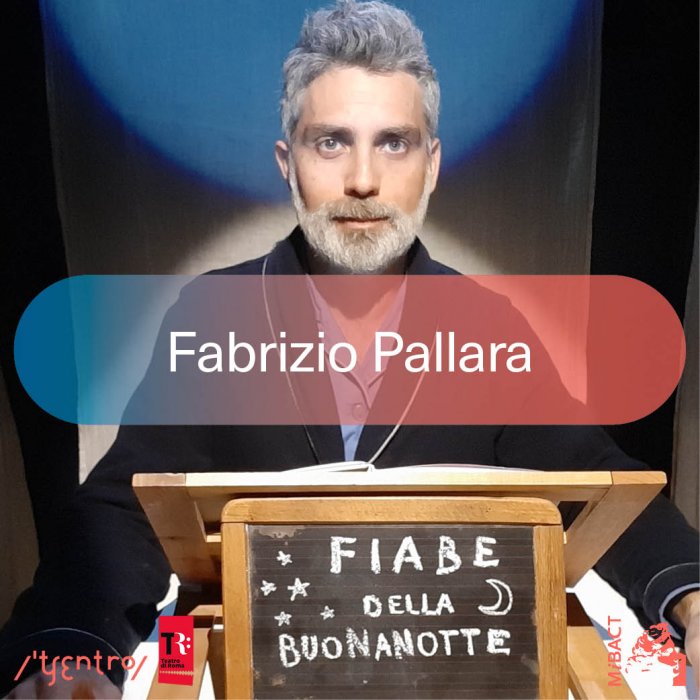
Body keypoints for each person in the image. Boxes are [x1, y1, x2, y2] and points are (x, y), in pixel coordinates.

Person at [2, 1, 698, 697]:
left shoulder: (486, 328)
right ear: (287, 162)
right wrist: (68, 650)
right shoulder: (214, 317)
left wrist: (691, 597)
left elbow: (599, 478)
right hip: (264, 671)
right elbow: (123, 508)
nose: (363, 179)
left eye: (394, 143)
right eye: (331, 142)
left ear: (431, 165)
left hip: (448, 673)